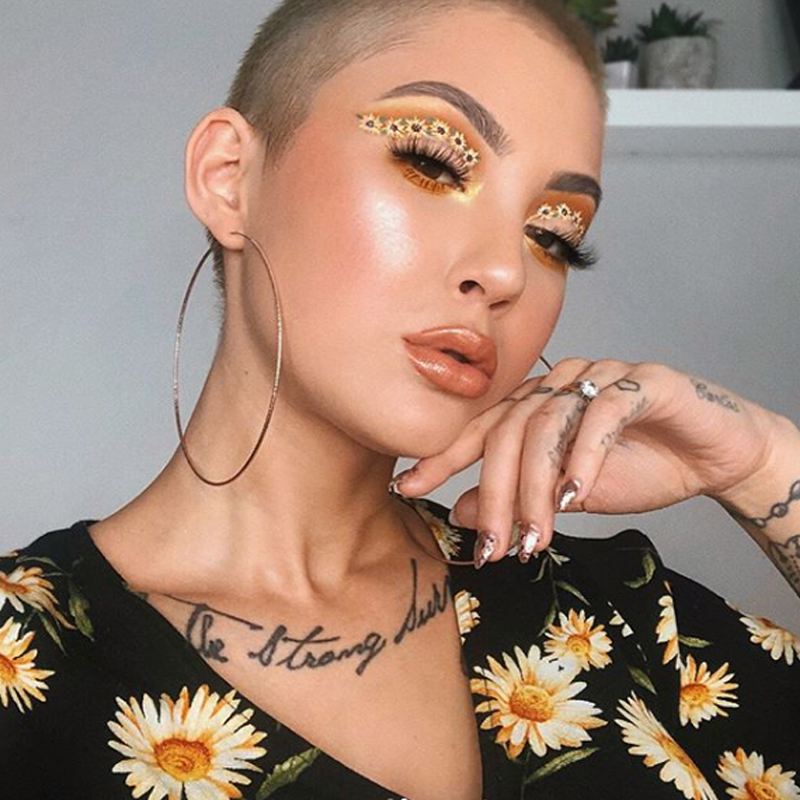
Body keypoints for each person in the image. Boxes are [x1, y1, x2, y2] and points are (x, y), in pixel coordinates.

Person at [1, 1, 799, 798]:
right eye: (434, 163)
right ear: (229, 177)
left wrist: (759, 463)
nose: (507, 272)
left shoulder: (620, 621)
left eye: (553, 233)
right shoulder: (23, 658)